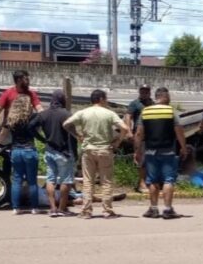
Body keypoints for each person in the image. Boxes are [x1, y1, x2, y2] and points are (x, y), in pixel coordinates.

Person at [63, 89, 131, 219]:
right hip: (105, 149)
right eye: (105, 99)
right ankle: (107, 210)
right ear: (101, 99)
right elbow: (125, 128)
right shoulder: (109, 113)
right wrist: (118, 141)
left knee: (88, 182)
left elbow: (66, 124)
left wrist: (77, 135)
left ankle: (86, 211)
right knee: (106, 181)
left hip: (88, 150)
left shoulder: (83, 113)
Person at [133, 87, 188, 219]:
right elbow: (179, 130)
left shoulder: (145, 111)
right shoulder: (170, 111)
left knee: (152, 180)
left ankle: (153, 209)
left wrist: (137, 150)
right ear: (163, 96)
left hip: (151, 151)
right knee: (168, 180)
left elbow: (139, 133)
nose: (169, 99)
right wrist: (183, 147)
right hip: (168, 150)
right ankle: (168, 210)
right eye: (168, 97)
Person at [29, 90, 77, 217]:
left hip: (50, 150)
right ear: (62, 100)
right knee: (66, 180)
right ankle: (62, 208)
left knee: (51, 179)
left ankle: (52, 208)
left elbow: (30, 127)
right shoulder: (66, 114)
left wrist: (42, 139)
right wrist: (75, 153)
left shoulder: (43, 114)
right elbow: (72, 136)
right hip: (64, 152)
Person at [6, 95, 44, 215]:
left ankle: (16, 207)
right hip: (29, 150)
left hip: (16, 150)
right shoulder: (32, 117)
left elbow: (5, 132)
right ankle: (34, 207)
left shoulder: (11, 119)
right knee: (32, 180)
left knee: (16, 179)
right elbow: (37, 131)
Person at [124, 84, 154, 193]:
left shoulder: (152, 104)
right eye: (142, 91)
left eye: (146, 91)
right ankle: (141, 183)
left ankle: (149, 181)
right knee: (140, 159)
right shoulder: (135, 103)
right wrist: (128, 131)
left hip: (151, 135)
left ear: (149, 92)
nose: (144, 93)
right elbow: (128, 116)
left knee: (150, 159)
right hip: (139, 134)